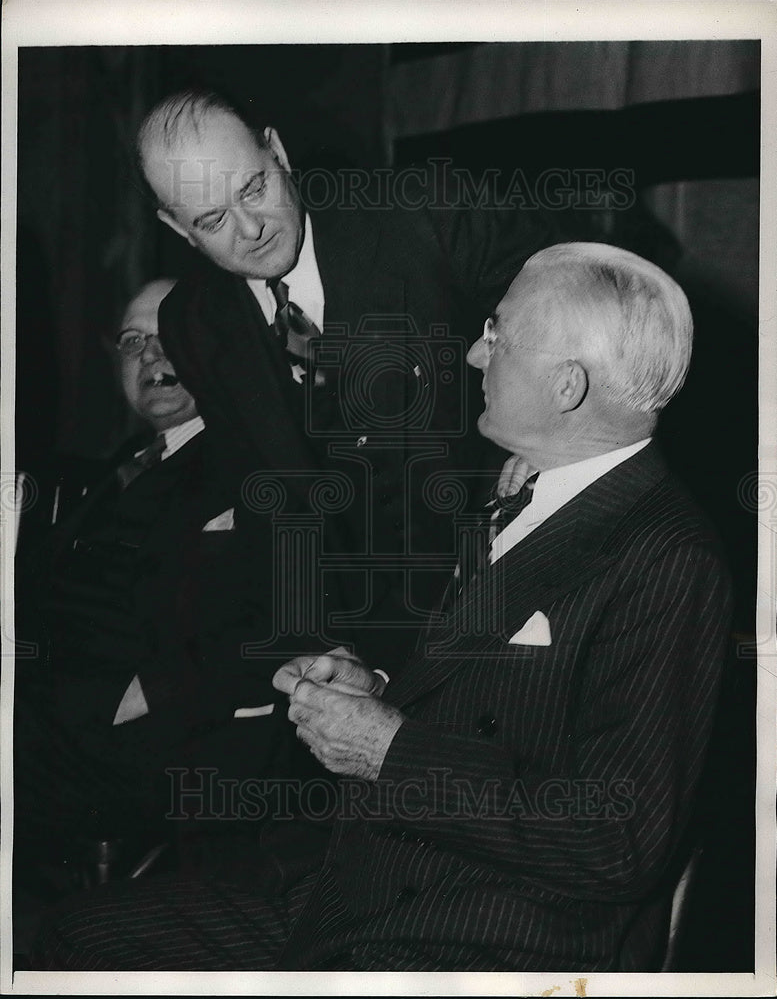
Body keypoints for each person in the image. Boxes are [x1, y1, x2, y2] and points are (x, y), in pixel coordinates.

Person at [33, 243, 732, 972]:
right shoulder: (521, 490)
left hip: (486, 932)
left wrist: (390, 750)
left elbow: (617, 839)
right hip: (366, 884)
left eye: (497, 335)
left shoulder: (666, 557)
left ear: (566, 386)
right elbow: (496, 710)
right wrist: (376, 694)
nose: (470, 355)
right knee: (77, 938)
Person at [134, 89, 580, 679]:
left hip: (518, 586)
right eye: (211, 220)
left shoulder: (428, 212)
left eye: (253, 188)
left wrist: (546, 445)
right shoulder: (191, 323)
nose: (250, 228)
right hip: (371, 631)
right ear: (176, 226)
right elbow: (270, 504)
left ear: (278, 153)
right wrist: (320, 647)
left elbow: (585, 315)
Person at [14, 279, 301, 864]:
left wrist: (150, 692)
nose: (150, 354)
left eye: (171, 336)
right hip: (48, 709)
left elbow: (291, 616)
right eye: (132, 340)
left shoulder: (261, 463)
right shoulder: (116, 471)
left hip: (161, 739)